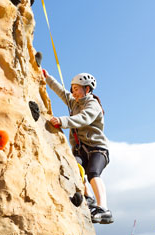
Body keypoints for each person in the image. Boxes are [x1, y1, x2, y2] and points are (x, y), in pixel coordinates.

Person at [43, 69, 113, 224]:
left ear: (87, 89)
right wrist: (47, 77)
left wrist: (63, 121)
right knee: (74, 168)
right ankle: (88, 197)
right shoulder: (74, 102)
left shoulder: (92, 104)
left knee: (93, 173)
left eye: (76, 89)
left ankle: (104, 209)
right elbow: (60, 91)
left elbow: (84, 118)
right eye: (72, 89)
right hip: (81, 149)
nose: (73, 93)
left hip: (97, 148)